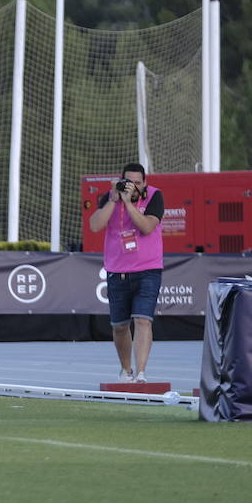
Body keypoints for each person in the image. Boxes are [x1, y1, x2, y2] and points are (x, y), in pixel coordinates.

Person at [88, 162, 164, 383]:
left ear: (145, 182)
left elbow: (147, 227)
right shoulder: (110, 197)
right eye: (129, 182)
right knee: (119, 326)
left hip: (148, 268)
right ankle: (126, 370)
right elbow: (95, 225)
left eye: (137, 183)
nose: (133, 187)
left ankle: (141, 373)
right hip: (116, 270)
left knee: (143, 320)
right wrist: (114, 200)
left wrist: (130, 204)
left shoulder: (155, 196)